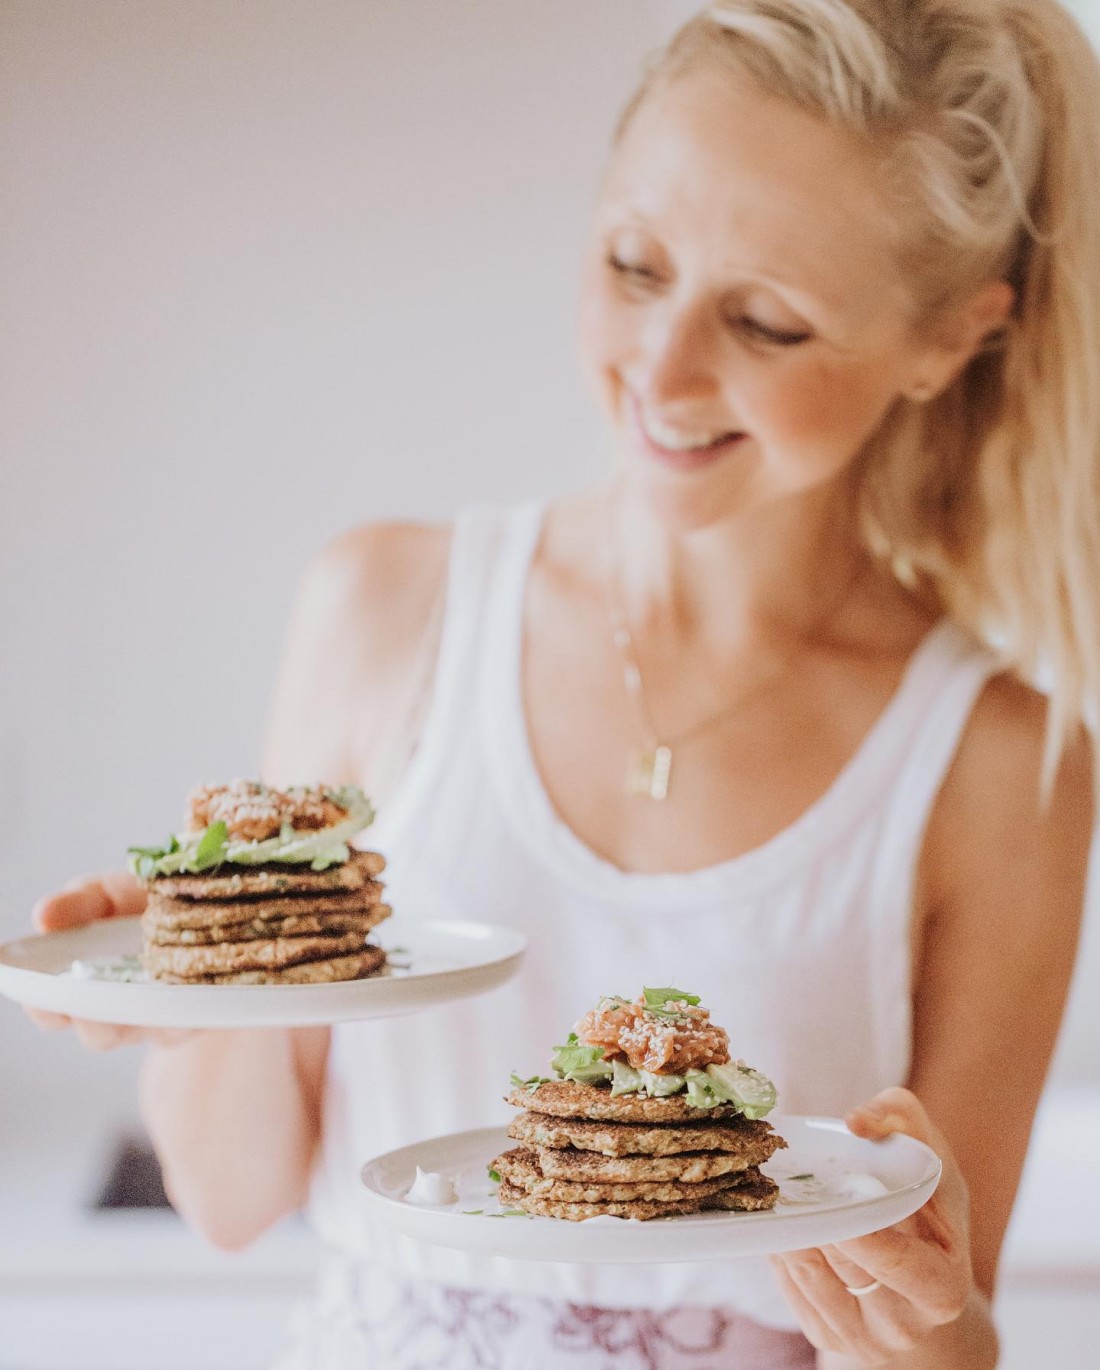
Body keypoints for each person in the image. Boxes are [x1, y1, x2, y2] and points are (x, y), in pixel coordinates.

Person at [28, 1, 1100, 1365]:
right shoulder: (386, 609)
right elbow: (233, 1198)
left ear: (948, 339)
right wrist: (200, 982)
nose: (660, 368)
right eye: (633, 261)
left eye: (767, 323)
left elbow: (948, 1333)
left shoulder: (1006, 759)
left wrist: (920, 1313)